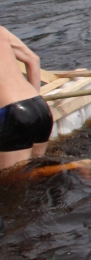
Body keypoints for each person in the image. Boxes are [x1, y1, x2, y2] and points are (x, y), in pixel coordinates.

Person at [0, 25, 52, 170]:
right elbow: (33, 59)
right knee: (35, 169)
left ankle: (73, 166)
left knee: (12, 179)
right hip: (39, 106)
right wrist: (34, 99)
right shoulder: (1, 31)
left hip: (14, 114)